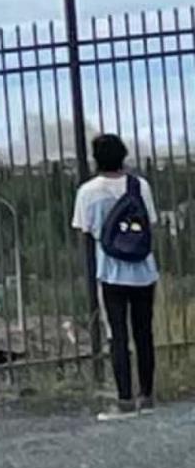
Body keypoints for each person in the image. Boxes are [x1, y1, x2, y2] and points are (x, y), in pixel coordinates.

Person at [72, 134, 158, 421]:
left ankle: (124, 400)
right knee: (144, 332)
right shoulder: (140, 186)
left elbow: (84, 230)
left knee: (117, 335)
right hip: (144, 270)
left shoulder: (88, 192)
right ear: (124, 155)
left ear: (96, 159)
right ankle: (147, 395)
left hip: (110, 272)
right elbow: (151, 224)